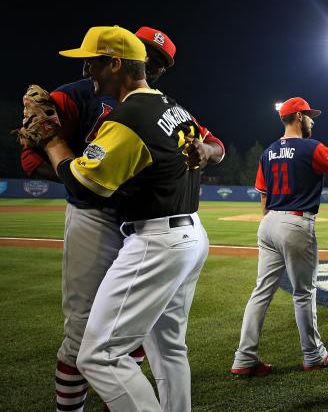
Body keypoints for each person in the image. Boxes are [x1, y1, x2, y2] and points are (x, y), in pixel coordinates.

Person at [18, 26, 224, 412]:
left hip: (150, 232)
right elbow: (32, 162)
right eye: (147, 55)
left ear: (117, 63)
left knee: (99, 353)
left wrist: (53, 142)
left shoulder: (134, 113)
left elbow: (81, 182)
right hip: (162, 228)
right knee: (163, 344)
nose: (87, 71)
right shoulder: (166, 105)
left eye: (92, 63)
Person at [231, 98, 328, 375]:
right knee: (303, 293)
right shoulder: (311, 147)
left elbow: (263, 195)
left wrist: (270, 221)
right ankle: (313, 355)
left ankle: (244, 357)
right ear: (299, 117)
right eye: (310, 116)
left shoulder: (268, 152)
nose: (313, 120)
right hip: (295, 223)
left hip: (269, 224)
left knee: (260, 292)